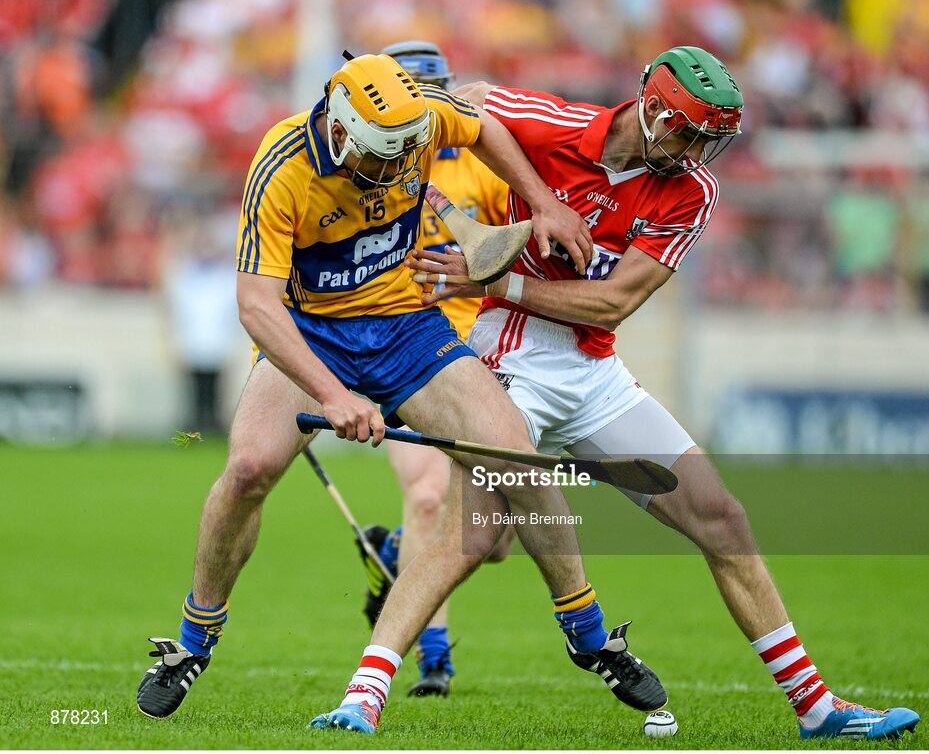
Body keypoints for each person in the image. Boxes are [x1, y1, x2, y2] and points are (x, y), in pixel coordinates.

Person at [136, 52, 667, 729]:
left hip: (407, 324)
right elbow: (257, 306)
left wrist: (546, 204)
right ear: (342, 129)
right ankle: (192, 643)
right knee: (247, 470)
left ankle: (589, 634)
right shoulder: (283, 165)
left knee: (514, 458)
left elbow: (480, 127)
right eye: (382, 160)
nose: (396, 173)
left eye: (404, 158)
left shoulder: (415, 119)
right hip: (312, 330)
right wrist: (331, 394)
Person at [407, 45, 921, 741]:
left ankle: (817, 707)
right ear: (651, 110)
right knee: (478, 536)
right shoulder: (557, 123)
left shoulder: (692, 192)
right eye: (692, 134)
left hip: (593, 372)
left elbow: (612, 305)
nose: (700, 154)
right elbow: (469, 96)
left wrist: (495, 281)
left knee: (722, 518)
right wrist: (542, 200)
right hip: (510, 352)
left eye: (714, 141)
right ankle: (367, 690)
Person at [355, 41, 513, 698]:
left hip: (484, 347)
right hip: (409, 348)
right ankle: (434, 657)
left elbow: (514, 250)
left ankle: (389, 556)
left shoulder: (486, 167)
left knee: (496, 536)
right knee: (427, 498)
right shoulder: (369, 170)